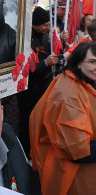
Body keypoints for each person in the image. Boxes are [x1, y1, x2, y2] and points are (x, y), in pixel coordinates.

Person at [30, 42, 96, 195]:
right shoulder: (68, 94)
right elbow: (77, 151)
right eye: (92, 62)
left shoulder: (83, 81)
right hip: (73, 178)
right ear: (78, 63)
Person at [17, 6, 59, 154]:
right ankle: (25, 152)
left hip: (43, 89)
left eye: (49, 24)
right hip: (28, 93)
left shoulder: (44, 36)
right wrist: (45, 63)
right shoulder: (25, 39)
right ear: (35, 23)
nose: (48, 28)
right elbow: (27, 70)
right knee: (27, 125)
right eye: (45, 25)